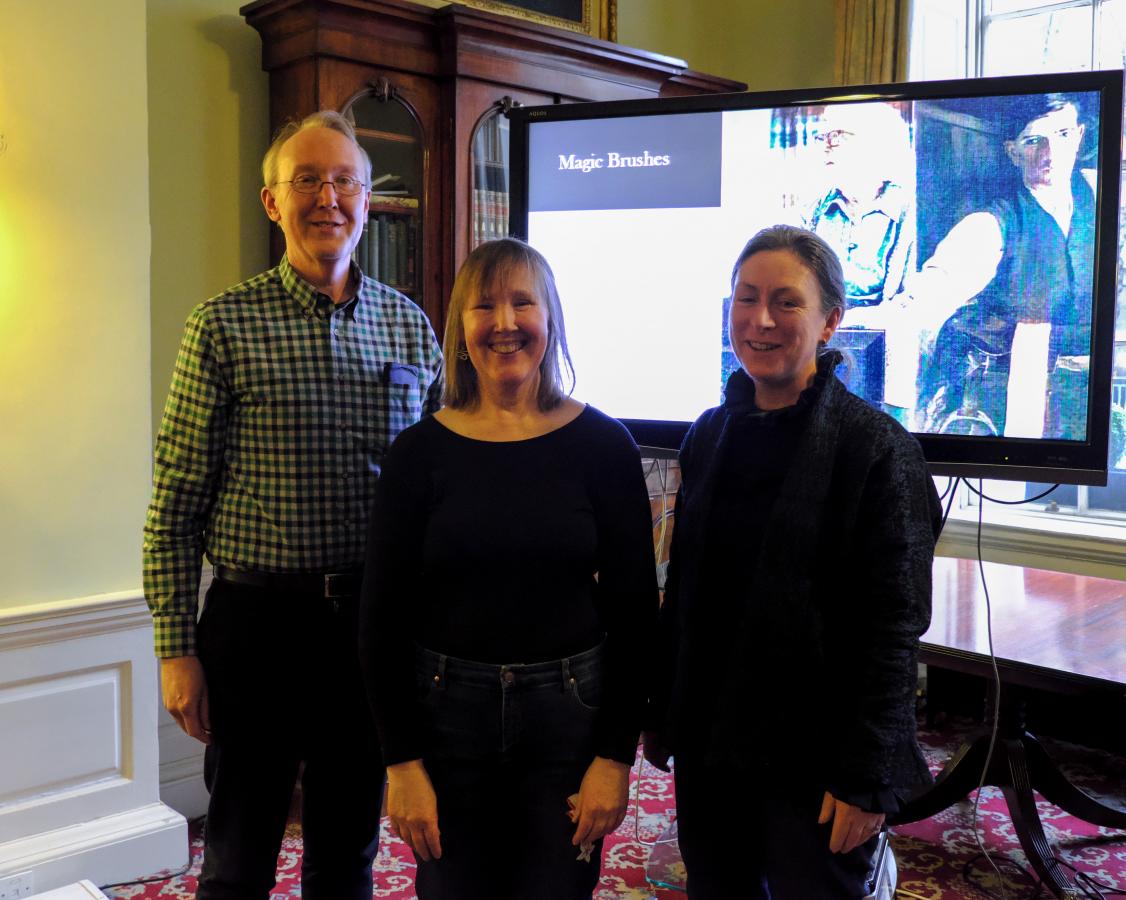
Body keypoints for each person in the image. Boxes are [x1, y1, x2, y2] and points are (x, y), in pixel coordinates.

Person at [142, 110, 443, 899]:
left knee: (347, 852)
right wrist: (176, 649)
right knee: (238, 856)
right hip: (254, 629)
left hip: (368, 628)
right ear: (272, 203)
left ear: (369, 201)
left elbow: (442, 487)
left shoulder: (410, 328)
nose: (328, 198)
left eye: (345, 180)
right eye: (306, 180)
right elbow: (175, 500)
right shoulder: (221, 325)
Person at [645, 225, 941, 899]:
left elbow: (894, 629)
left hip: (814, 760)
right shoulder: (709, 434)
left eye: (786, 301)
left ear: (830, 320)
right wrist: (663, 716)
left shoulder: (877, 450)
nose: (761, 319)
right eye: (745, 299)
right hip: (711, 746)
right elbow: (687, 594)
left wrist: (867, 777)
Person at [359, 238, 658, 900]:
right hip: (446, 717)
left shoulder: (605, 448)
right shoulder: (417, 455)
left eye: (523, 301)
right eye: (483, 304)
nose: (503, 322)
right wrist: (401, 762)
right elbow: (380, 621)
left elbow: (636, 618)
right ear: (460, 328)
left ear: (550, 319)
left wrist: (614, 758)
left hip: (567, 719)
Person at [909, 93, 1094, 438]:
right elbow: (928, 299)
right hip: (1003, 402)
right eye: (1034, 140)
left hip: (1089, 406)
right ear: (1013, 151)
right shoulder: (990, 224)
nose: (1051, 152)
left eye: (1063, 135)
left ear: (1080, 135)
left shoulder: (1101, 197)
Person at [805, 102, 919, 422]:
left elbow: (909, 304)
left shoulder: (909, 209)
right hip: (821, 351)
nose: (827, 144)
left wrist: (844, 322)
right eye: (822, 136)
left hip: (888, 355)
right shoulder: (814, 209)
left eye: (838, 135)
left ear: (875, 143)